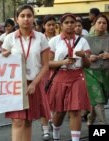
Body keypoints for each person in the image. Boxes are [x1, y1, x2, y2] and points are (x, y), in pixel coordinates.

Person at [2, 5, 49, 141]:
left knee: (28, 121)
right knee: (17, 121)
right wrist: (5, 56)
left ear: (33, 18)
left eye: (29, 15)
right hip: (15, 85)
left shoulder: (41, 38)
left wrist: (34, 83)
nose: (26, 19)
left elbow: (45, 65)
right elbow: (2, 62)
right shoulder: (10, 38)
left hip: (34, 84)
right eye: (22, 16)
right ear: (17, 19)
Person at [48, 13, 91, 141]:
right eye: (66, 22)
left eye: (72, 22)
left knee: (75, 110)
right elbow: (48, 63)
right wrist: (62, 62)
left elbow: (88, 65)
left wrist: (84, 56)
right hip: (60, 76)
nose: (70, 25)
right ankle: (55, 131)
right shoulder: (54, 41)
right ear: (61, 25)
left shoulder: (82, 41)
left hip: (77, 76)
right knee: (60, 112)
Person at [84, 14, 109, 126]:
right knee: (98, 101)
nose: (102, 25)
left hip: (106, 72)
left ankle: (90, 117)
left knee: (100, 100)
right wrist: (89, 57)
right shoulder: (86, 39)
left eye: (104, 23)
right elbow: (78, 55)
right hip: (91, 72)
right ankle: (102, 127)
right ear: (93, 24)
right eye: (99, 22)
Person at [40, 15, 57, 141]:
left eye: (53, 24)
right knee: (44, 103)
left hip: (58, 74)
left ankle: (54, 123)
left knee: (55, 103)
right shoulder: (40, 39)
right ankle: (45, 130)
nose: (51, 27)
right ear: (43, 26)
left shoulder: (60, 38)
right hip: (43, 74)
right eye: (48, 25)